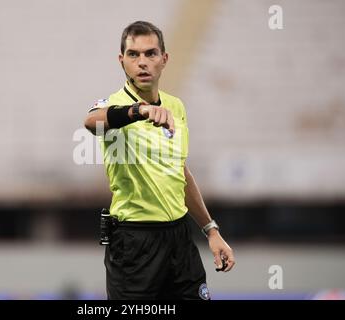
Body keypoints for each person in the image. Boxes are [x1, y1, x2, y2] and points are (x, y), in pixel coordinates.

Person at [84, 21, 235, 300]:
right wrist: (138, 111)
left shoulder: (175, 107)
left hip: (179, 239)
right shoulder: (114, 107)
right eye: (133, 55)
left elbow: (181, 174)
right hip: (134, 244)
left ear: (164, 60)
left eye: (150, 54)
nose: (142, 62)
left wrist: (211, 230)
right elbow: (91, 122)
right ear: (122, 61)